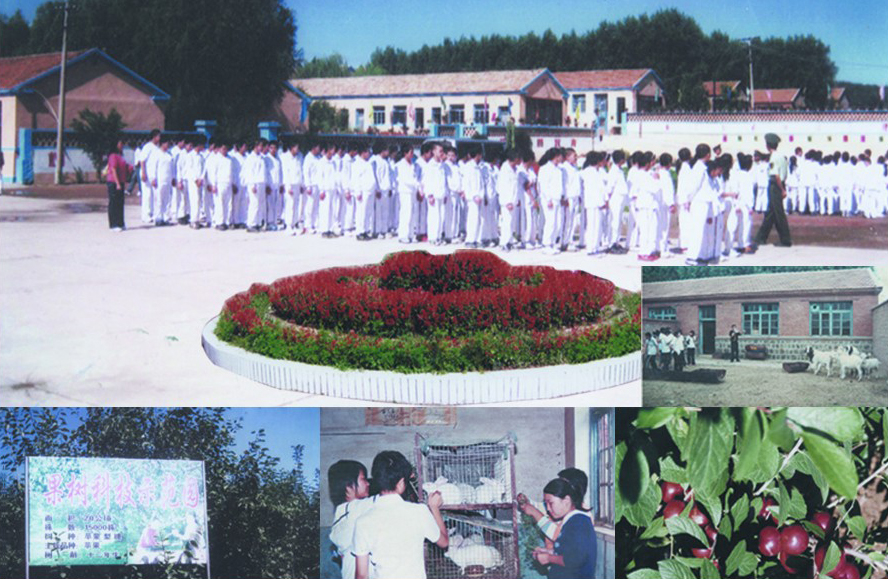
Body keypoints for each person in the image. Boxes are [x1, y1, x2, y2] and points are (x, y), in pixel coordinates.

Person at [353, 451, 448, 579]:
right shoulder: (419, 512)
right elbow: (444, 542)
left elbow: (361, 575)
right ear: (401, 482)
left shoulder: (362, 522)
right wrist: (434, 508)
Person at [531, 477, 596, 579]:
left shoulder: (579, 522)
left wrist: (549, 558)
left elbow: (575, 559)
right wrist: (549, 552)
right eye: (546, 504)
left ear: (566, 500)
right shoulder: (571, 521)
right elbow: (569, 552)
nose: (548, 509)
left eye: (551, 503)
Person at [328, 460, 374, 579]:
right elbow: (387, 499)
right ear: (348, 486)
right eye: (363, 479)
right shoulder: (355, 508)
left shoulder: (341, 513)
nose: (368, 484)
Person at [754, 133, 792, 247]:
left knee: (778, 213)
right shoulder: (781, 157)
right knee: (770, 213)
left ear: (767, 145)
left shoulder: (773, 158)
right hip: (780, 184)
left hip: (775, 185)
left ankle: (785, 239)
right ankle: (761, 237)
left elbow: (776, 176)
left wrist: (782, 190)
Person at [106, 140, 130, 231]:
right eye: (120, 144)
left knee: (120, 203)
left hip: (121, 181)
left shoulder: (120, 156)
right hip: (114, 182)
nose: (122, 145)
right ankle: (113, 224)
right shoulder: (113, 156)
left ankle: (120, 223)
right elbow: (113, 169)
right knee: (114, 203)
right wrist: (117, 183)